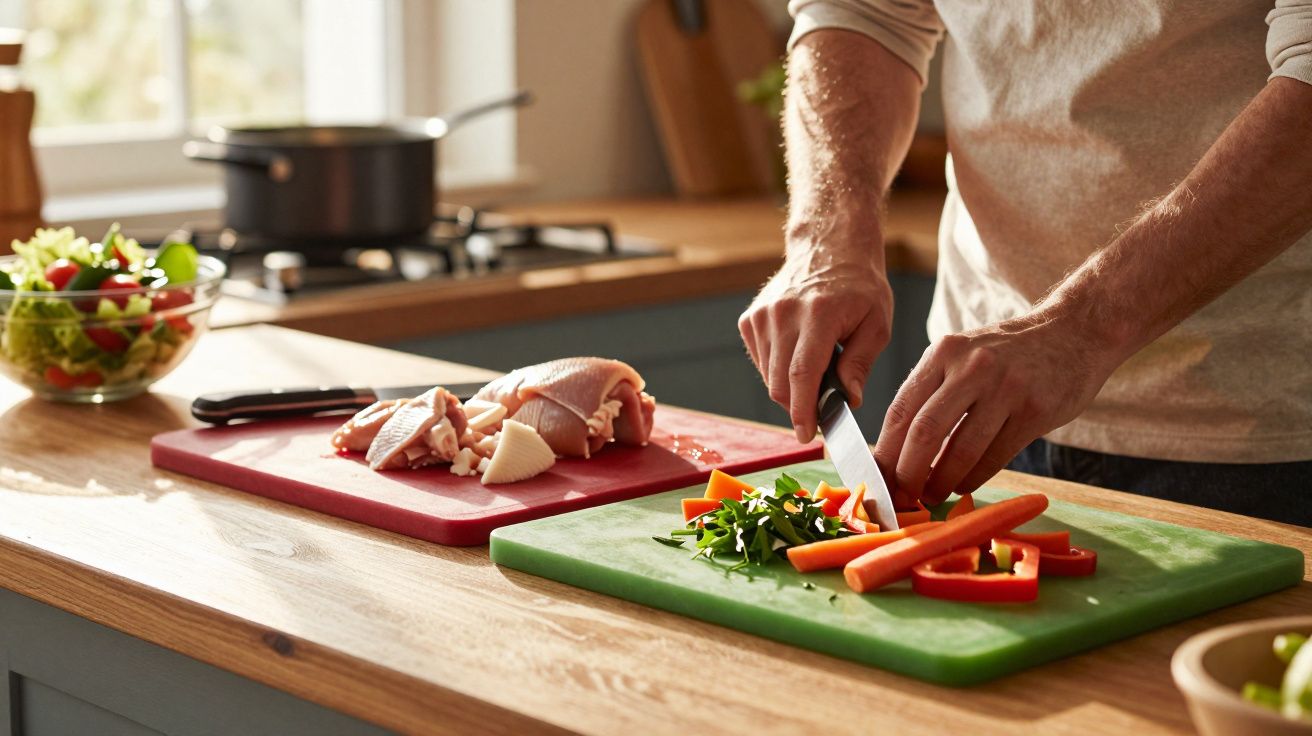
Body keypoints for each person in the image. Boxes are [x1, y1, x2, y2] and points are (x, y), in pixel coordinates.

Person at [739, 1, 1312, 525]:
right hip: (975, 410)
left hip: (1259, 431)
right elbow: (863, 12)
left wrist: (1080, 330)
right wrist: (827, 235)